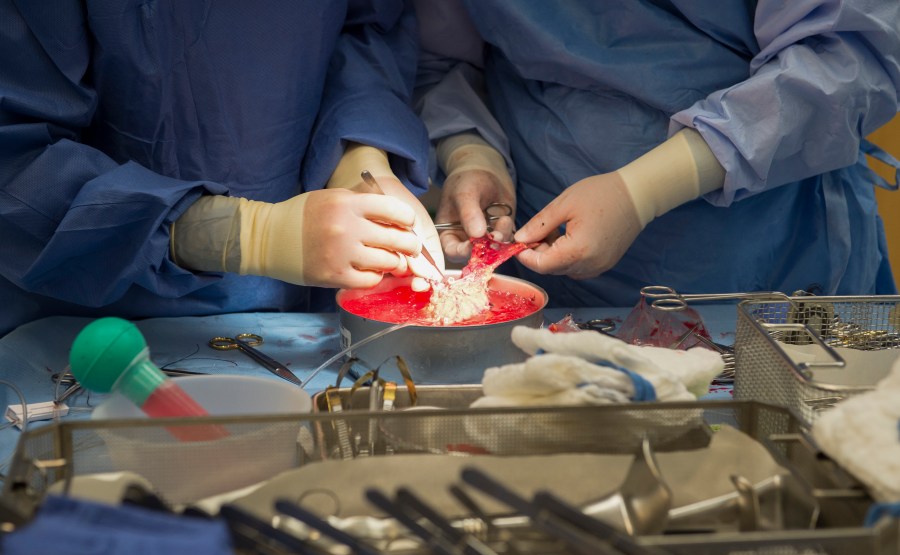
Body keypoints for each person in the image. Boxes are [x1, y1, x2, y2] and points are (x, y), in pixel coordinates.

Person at [0, 0, 443, 338]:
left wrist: (360, 153)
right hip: (90, 325)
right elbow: (15, 161)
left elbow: (366, 26)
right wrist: (241, 233)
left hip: (303, 319)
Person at [414, 0, 900, 308]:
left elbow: (848, 60)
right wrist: (471, 151)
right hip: (552, 269)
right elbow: (441, 53)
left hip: (770, 259)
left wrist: (644, 189)